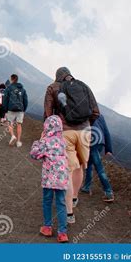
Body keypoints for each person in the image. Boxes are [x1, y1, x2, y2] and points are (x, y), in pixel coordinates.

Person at [44, 67, 100, 224]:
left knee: (67, 170)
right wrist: (86, 125)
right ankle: (74, 197)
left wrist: (51, 131)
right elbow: (96, 112)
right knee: (80, 166)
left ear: (57, 77)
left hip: (65, 132)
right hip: (84, 132)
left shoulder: (53, 87)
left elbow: (48, 114)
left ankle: (69, 213)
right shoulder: (83, 86)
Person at [30, 115, 69, 243]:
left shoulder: (45, 141)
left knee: (47, 201)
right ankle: (62, 233)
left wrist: (39, 140)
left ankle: (47, 227)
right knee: (61, 204)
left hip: (49, 179)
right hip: (62, 179)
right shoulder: (63, 141)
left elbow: (34, 154)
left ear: (46, 127)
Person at [81, 114, 114, 202]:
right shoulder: (100, 115)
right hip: (99, 141)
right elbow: (106, 131)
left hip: (92, 141)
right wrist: (108, 148)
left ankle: (109, 192)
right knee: (89, 164)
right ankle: (86, 187)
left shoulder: (84, 112)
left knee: (98, 167)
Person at [3, 74, 28, 147]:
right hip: (20, 109)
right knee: (19, 124)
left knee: (10, 123)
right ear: (17, 79)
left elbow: (5, 99)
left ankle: (13, 136)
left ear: (11, 79)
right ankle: (18, 141)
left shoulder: (8, 88)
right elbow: (25, 100)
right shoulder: (23, 89)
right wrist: (24, 109)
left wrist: (5, 108)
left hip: (11, 108)